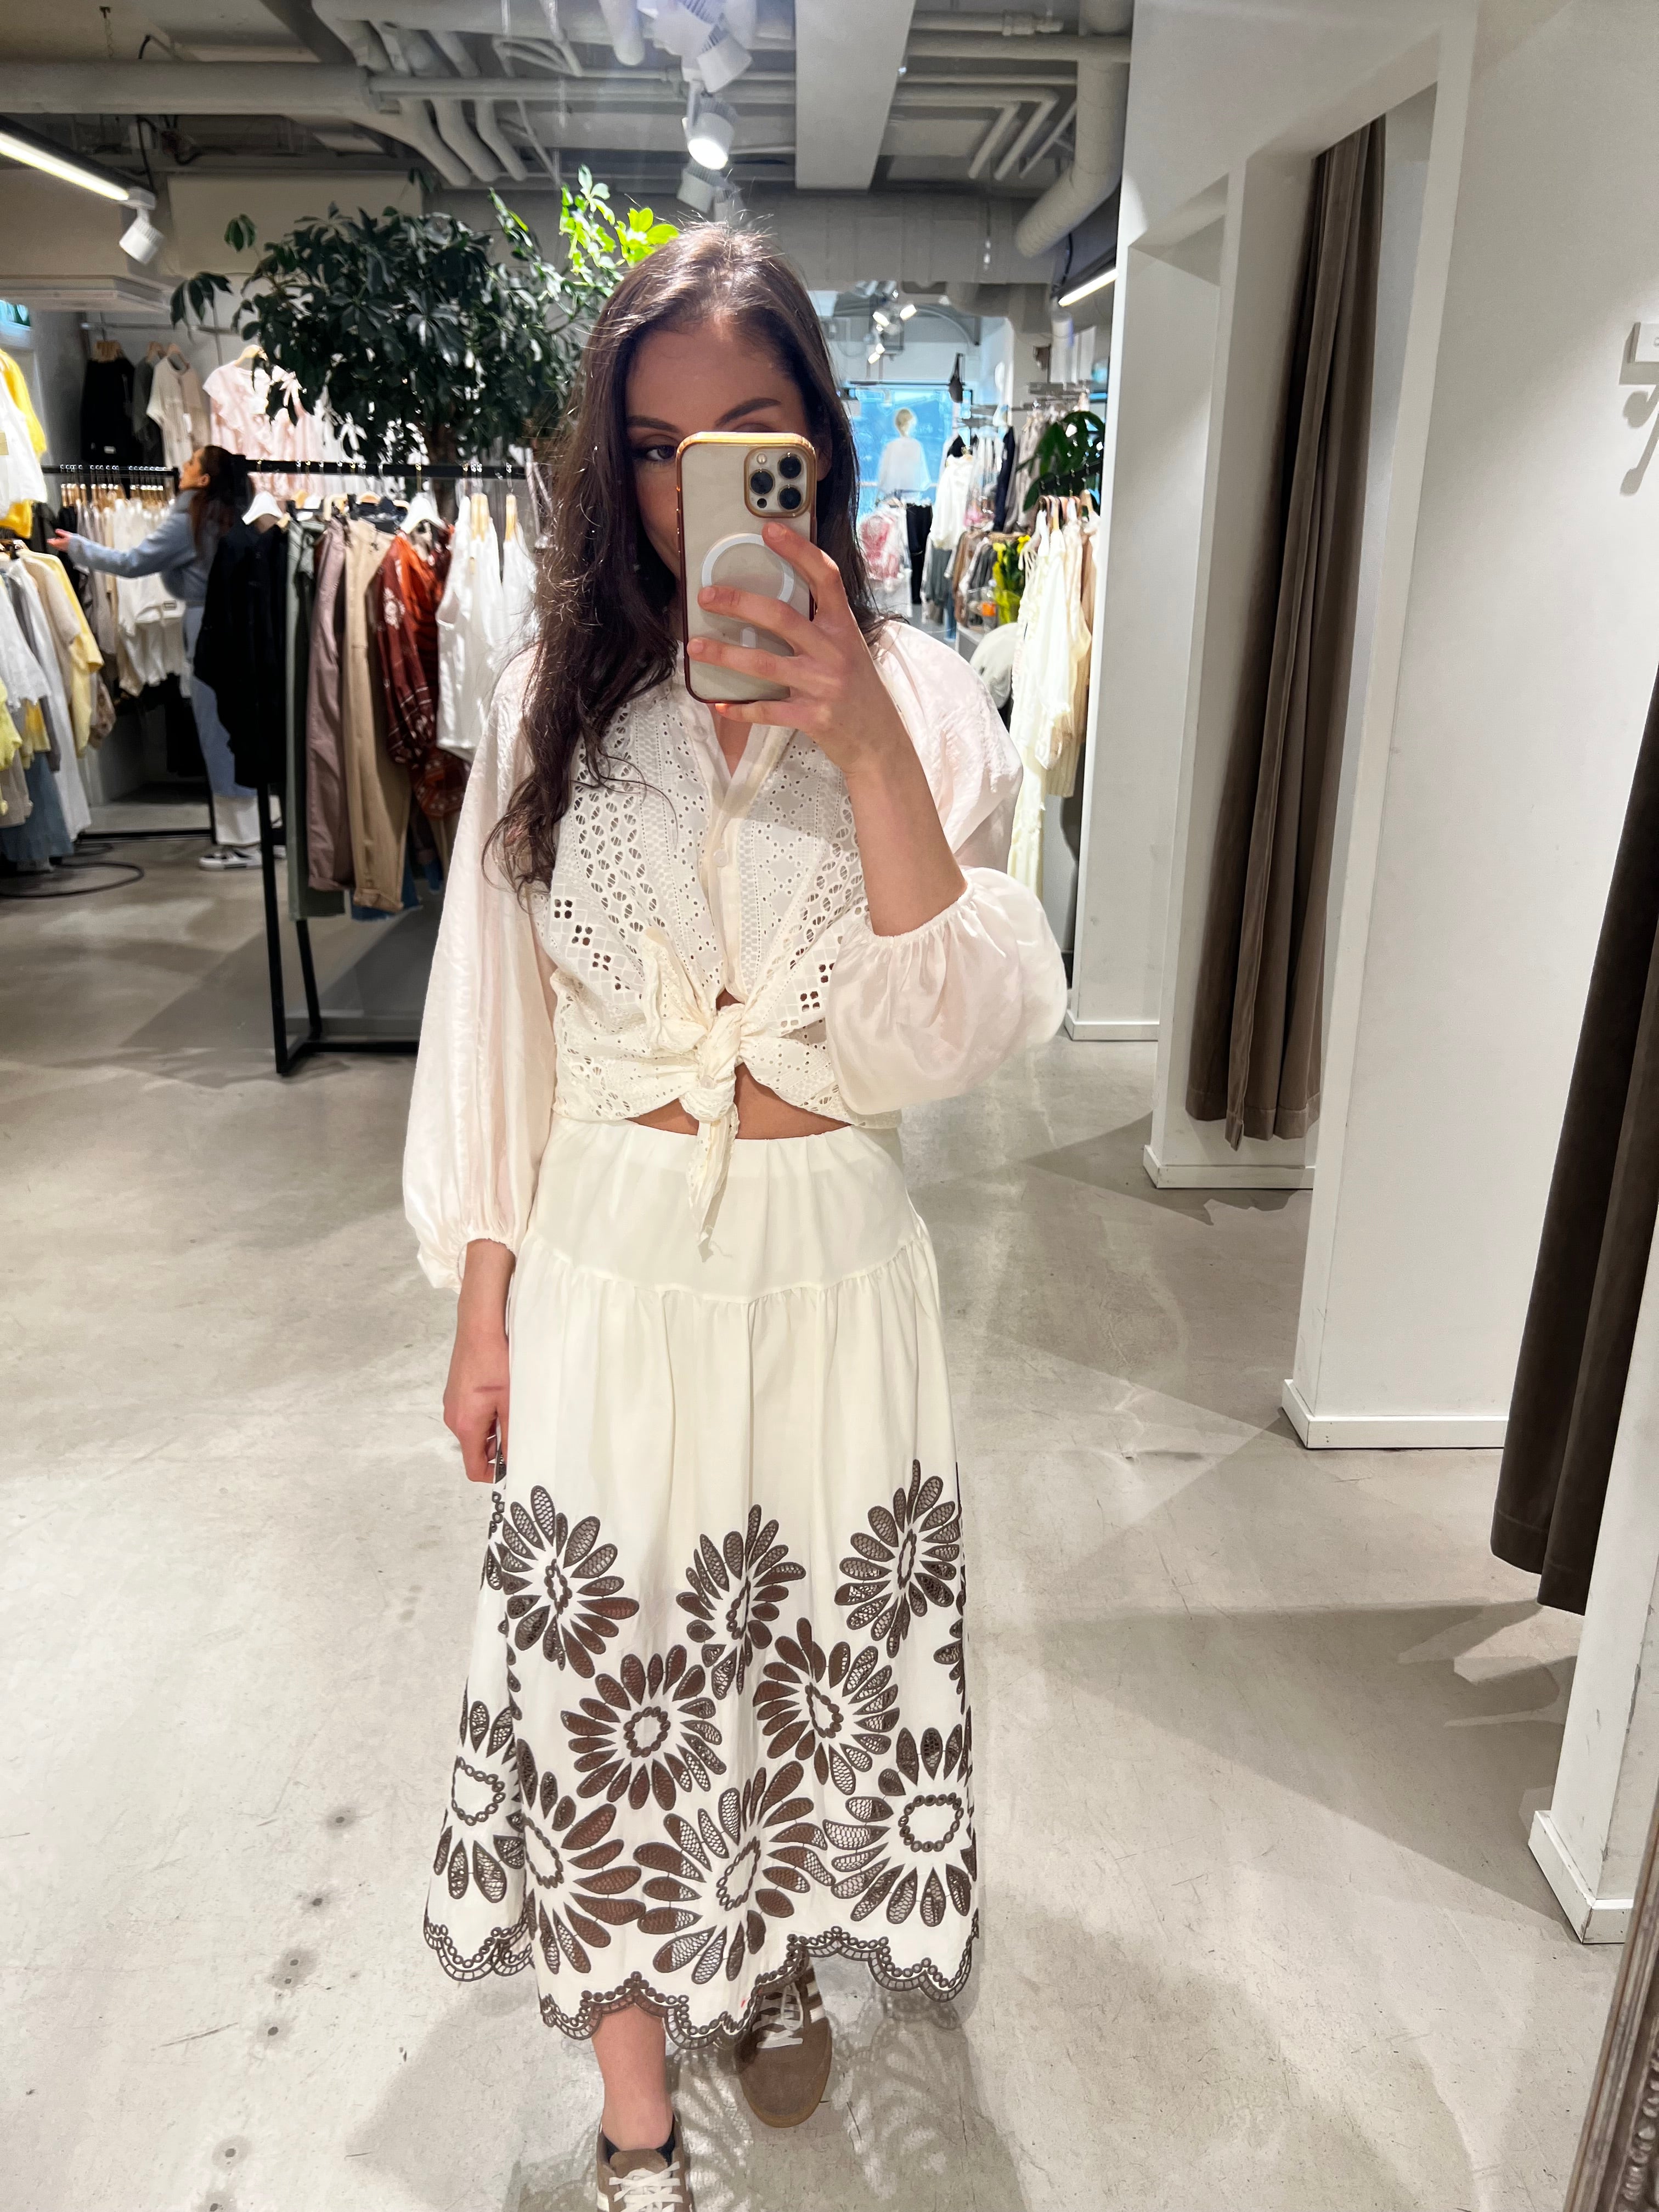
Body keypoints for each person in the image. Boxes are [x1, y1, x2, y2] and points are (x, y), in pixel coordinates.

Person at [404, 225, 1066, 2212]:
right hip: (609, 1259)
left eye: (744, 432)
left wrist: (857, 735)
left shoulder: (929, 698)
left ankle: (763, 1945)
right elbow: (496, 1028)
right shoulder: (549, 696)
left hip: (830, 1266)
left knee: (782, 1664)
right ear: (615, 463)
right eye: (653, 443)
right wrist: (480, 1302)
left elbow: (952, 1031)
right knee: (602, 1682)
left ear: (817, 445)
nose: (693, 483)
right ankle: (636, 2124)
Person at [50, 442, 263, 869]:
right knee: (239, 730)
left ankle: (241, 843)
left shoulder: (188, 521)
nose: (182, 467)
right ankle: (257, 832)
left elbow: (132, 562)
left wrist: (78, 547)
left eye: (191, 463)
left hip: (207, 629)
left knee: (216, 732)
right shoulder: (232, 517)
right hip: (240, 629)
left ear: (204, 479)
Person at [874, 403, 930, 498]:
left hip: (892, 497)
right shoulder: (917, 446)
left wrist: (881, 490)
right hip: (913, 497)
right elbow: (924, 479)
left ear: (896, 425)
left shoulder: (890, 446)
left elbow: (883, 475)